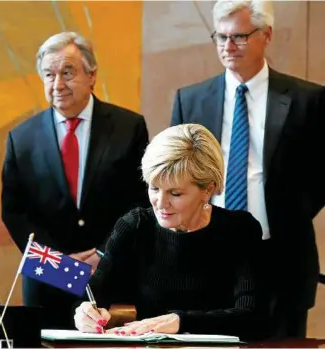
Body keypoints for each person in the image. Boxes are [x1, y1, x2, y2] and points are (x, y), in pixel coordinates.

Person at [170, 0, 325, 338]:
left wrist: (287, 213)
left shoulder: (307, 100)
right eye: (220, 37)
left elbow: (319, 176)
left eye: (239, 37)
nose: (228, 47)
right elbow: (175, 178)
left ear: (266, 35)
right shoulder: (190, 100)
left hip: (281, 260)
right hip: (206, 259)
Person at [2, 32, 149, 329]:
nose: (57, 85)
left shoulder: (128, 127)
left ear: (92, 75)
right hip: (47, 279)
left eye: (67, 73)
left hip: (111, 275)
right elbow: (15, 211)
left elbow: (142, 201)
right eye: (49, 75)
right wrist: (57, 262)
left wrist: (104, 253)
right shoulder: (22, 138)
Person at [74, 124, 268, 340]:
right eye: (154, 188)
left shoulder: (239, 230)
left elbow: (253, 317)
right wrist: (84, 314)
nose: (161, 203)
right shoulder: (135, 226)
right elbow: (92, 296)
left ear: (208, 189)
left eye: (175, 193)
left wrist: (179, 321)